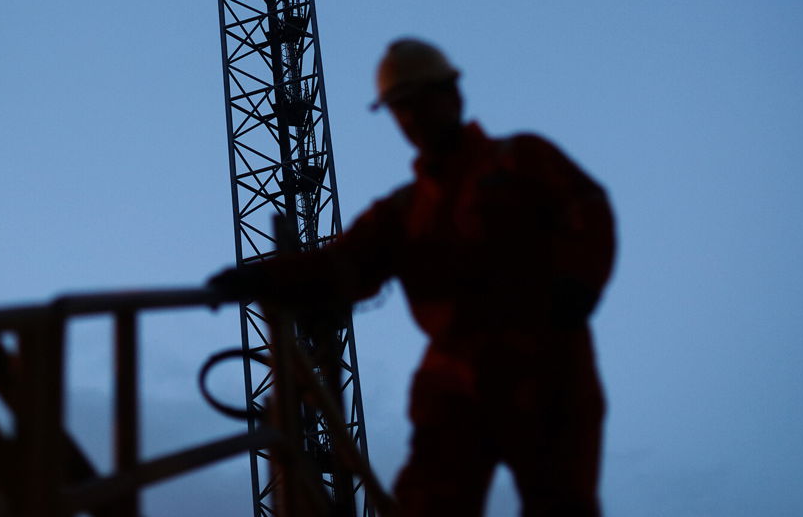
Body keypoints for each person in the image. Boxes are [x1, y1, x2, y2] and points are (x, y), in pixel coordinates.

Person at [210, 38, 615, 517]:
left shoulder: (521, 159)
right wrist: (258, 278)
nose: (412, 118)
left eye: (420, 101)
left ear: (454, 95)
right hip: (458, 381)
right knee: (427, 504)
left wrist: (579, 284)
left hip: (547, 367)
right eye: (401, 109)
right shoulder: (406, 212)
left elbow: (586, 211)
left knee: (561, 504)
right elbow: (343, 264)